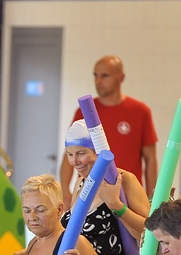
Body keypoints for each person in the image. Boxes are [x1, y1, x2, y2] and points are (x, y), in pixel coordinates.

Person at [62, 119, 150, 255]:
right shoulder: (81, 182)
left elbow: (150, 232)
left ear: (98, 151)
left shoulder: (122, 180)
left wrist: (116, 206)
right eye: (70, 154)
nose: (75, 161)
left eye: (81, 153)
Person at [60, 55, 158, 201]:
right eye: (95, 76)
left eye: (105, 76)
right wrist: (65, 189)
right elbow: (70, 152)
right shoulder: (84, 111)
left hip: (128, 192)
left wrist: (152, 196)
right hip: (90, 192)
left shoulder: (140, 111)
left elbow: (150, 159)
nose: (98, 81)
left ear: (121, 77)